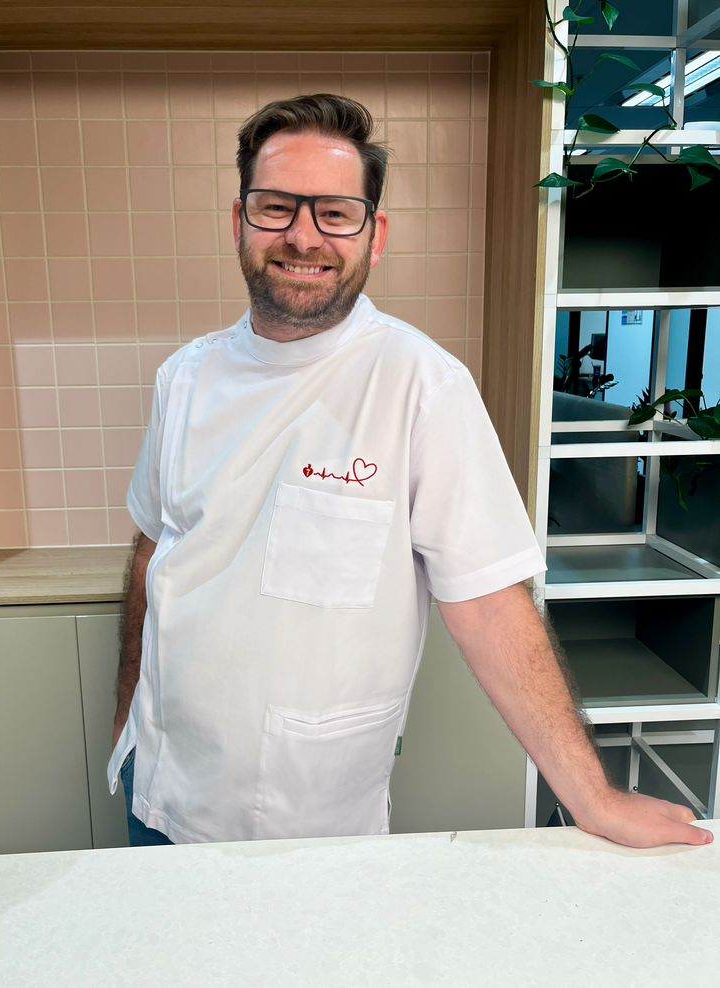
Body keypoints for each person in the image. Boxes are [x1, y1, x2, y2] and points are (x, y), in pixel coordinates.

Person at [108, 94, 712, 851]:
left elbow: (491, 605)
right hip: (160, 788)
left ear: (374, 233)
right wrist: (126, 718)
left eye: (334, 212)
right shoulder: (184, 379)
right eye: (275, 207)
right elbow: (151, 553)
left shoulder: (422, 385)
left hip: (311, 816)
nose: (303, 235)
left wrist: (589, 794)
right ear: (240, 221)